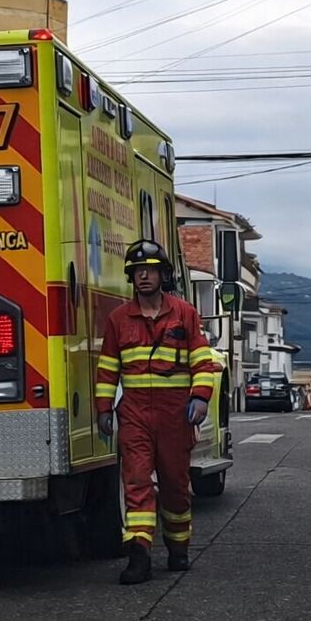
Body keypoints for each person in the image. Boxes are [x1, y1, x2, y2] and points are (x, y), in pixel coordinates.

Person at [96, 240, 217, 585]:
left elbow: (201, 360)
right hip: (134, 411)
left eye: (148, 270)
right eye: (136, 272)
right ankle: (140, 555)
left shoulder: (185, 314)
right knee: (135, 481)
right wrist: (104, 409)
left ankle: (178, 548)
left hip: (175, 414)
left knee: (176, 485)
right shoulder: (119, 319)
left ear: (163, 274)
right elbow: (107, 368)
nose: (143, 276)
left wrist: (201, 397)